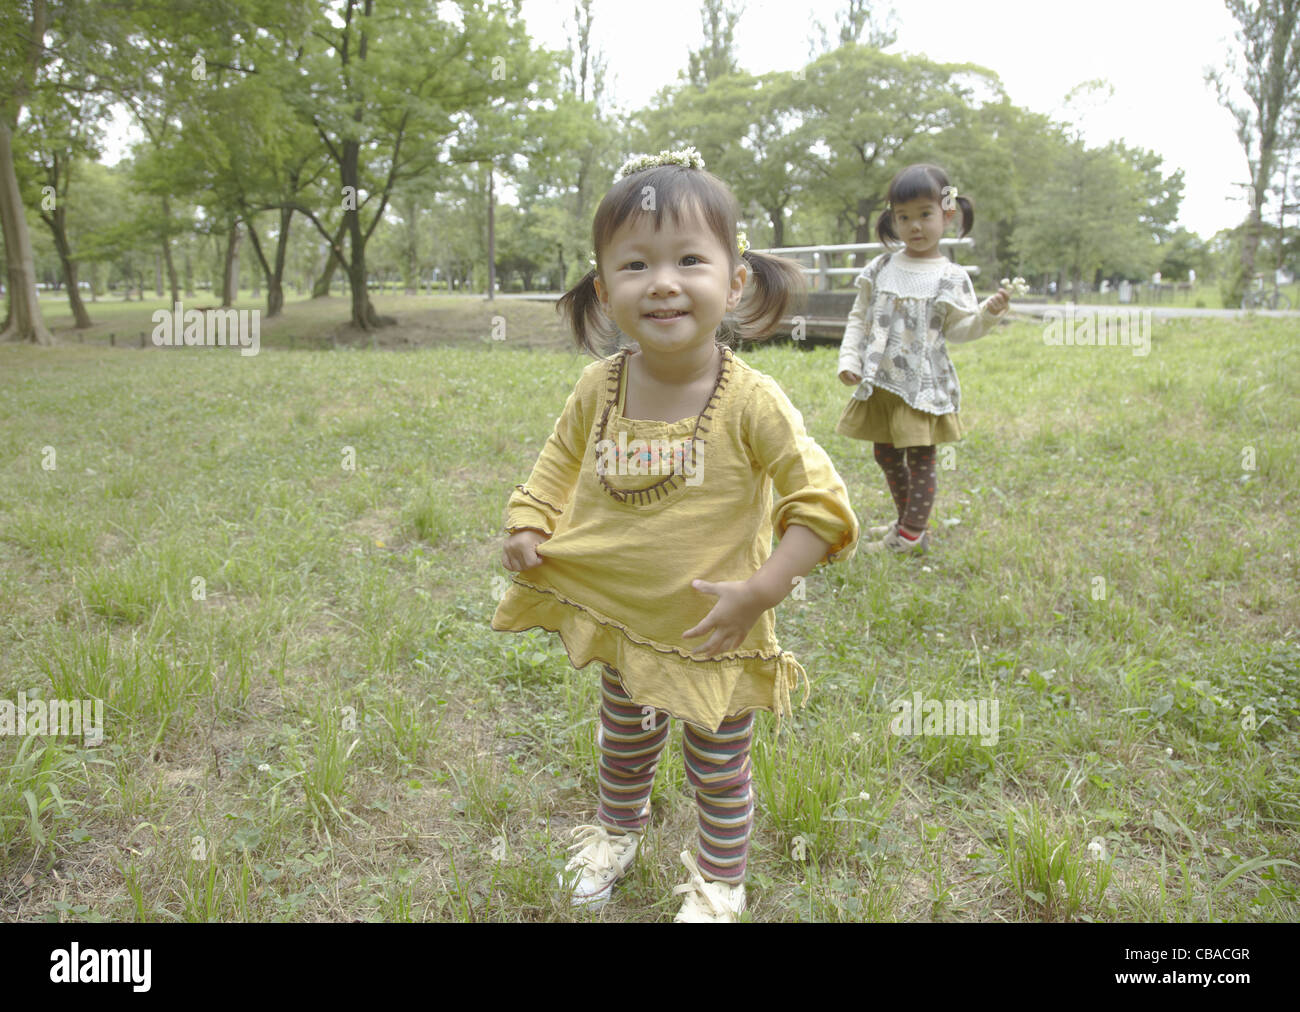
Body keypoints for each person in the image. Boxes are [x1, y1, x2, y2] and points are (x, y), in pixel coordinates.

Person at [492, 147, 859, 922]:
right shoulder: (599, 386)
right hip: (622, 620)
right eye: (635, 264)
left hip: (713, 631)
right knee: (622, 745)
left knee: (718, 769)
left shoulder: (751, 402)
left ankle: (721, 881)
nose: (662, 281)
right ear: (605, 289)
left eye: (689, 259)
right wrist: (530, 518)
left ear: (735, 281)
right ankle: (616, 833)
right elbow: (557, 462)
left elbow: (821, 507)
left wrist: (760, 591)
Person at [836, 163, 1010, 554]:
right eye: (904, 217)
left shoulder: (950, 276)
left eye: (925, 214)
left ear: (948, 214)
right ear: (892, 219)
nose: (915, 226)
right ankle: (907, 523)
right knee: (885, 453)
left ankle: (912, 534)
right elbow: (859, 316)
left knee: (920, 455)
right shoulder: (881, 267)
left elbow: (959, 330)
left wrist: (988, 314)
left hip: (920, 386)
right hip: (881, 381)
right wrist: (849, 359)